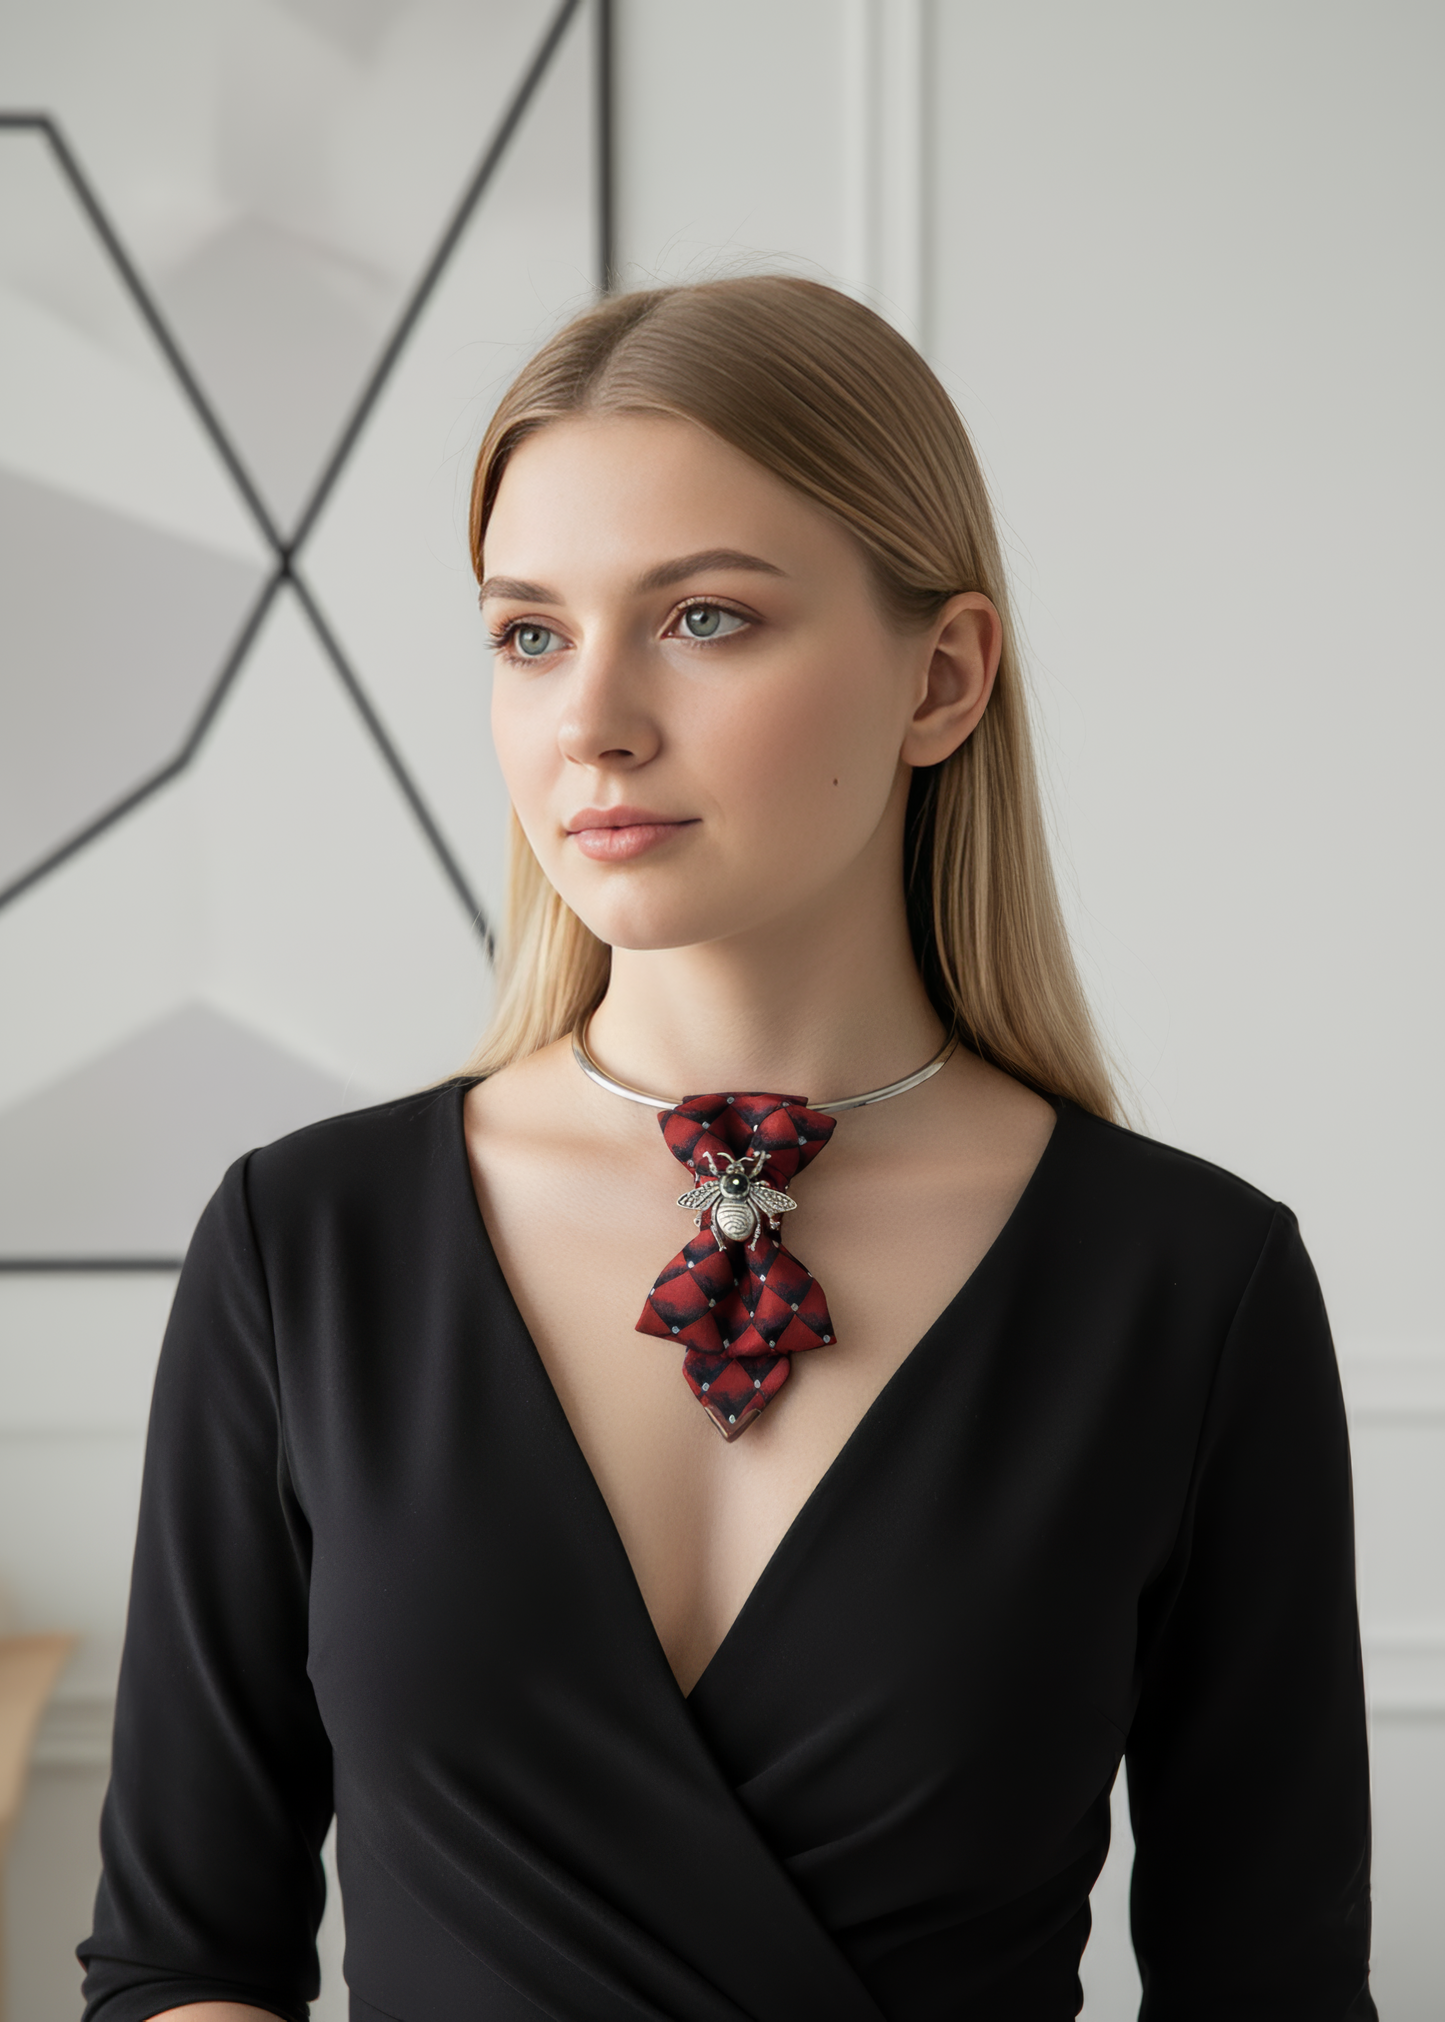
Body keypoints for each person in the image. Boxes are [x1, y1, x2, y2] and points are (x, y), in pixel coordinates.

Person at [79, 277, 1375, 2021]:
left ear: (942, 676)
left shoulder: (1192, 1288)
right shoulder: (300, 1246)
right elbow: (179, 1964)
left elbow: (1273, 1988)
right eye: (529, 633)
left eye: (702, 619)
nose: (589, 720)